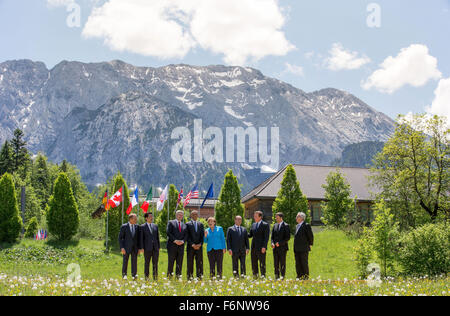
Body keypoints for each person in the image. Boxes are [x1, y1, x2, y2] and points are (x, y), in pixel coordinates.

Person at [248, 211, 270, 278]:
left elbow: (266, 237)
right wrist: (243, 232)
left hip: (261, 247)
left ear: (260, 217)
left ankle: (263, 275)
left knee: (262, 262)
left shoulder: (265, 225)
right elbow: (250, 235)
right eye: (254, 216)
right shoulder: (253, 225)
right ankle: (255, 275)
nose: (254, 217)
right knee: (254, 262)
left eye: (256, 216)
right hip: (254, 247)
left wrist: (264, 246)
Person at [139, 212, 160, 281]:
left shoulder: (155, 226)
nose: (152, 218)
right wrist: (141, 248)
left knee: (155, 263)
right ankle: (146, 278)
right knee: (147, 263)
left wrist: (158, 247)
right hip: (147, 248)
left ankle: (155, 278)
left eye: (152, 216)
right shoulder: (142, 227)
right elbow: (141, 238)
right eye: (150, 216)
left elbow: (157, 237)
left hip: (155, 248)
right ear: (146, 218)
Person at [167, 210, 188, 279]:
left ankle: (178, 277)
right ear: (176, 215)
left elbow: (186, 235)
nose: (180, 216)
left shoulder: (184, 225)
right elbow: (168, 232)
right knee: (171, 263)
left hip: (181, 247)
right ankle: (169, 277)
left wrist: (183, 241)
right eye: (179, 214)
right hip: (172, 246)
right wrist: (175, 240)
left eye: (181, 215)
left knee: (179, 263)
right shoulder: (171, 222)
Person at [119, 213, 140, 280]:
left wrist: (139, 248)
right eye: (135, 219)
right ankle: (124, 275)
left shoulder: (137, 227)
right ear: (130, 219)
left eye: (136, 219)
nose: (136, 220)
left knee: (134, 262)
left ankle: (134, 275)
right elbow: (120, 238)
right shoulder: (124, 226)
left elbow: (139, 238)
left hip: (135, 248)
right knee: (125, 261)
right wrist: (122, 247)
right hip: (126, 248)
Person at [293, 212, 314, 280]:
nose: (296, 218)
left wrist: (310, 244)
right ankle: (299, 276)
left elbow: (310, 236)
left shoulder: (306, 225)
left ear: (302, 218)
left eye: (297, 216)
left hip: (304, 248)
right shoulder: (297, 226)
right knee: (298, 263)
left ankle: (305, 276)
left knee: (304, 263)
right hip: (296, 248)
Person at [271, 212, 290, 279]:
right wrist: (272, 243)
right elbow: (272, 237)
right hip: (275, 248)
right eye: (276, 217)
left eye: (277, 217)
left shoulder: (286, 225)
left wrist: (280, 243)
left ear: (281, 218)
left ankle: (282, 276)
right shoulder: (275, 225)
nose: (276, 219)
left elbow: (287, 237)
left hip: (283, 248)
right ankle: (276, 276)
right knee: (275, 263)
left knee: (282, 263)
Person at [186, 210, 205, 280]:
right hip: (190, 247)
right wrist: (192, 244)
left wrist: (200, 244)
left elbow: (202, 236)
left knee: (199, 263)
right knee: (190, 263)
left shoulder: (201, 224)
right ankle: (190, 278)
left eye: (196, 214)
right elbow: (187, 236)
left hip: (199, 247)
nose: (195, 216)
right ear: (191, 215)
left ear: (198, 216)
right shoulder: (187, 224)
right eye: (193, 214)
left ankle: (199, 277)